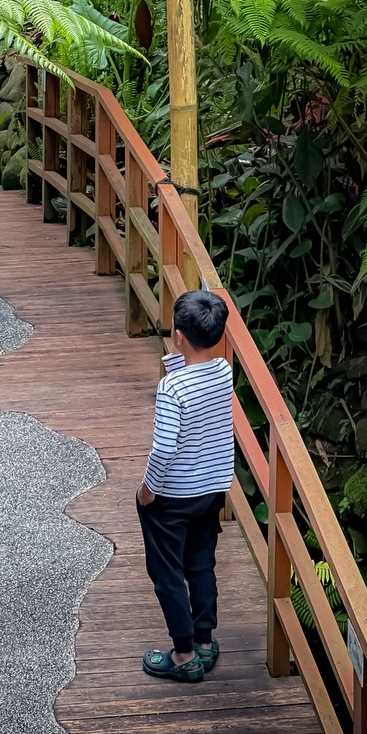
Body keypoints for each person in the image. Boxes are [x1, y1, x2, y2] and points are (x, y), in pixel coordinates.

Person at [136, 289, 237, 682]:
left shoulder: (172, 389)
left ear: (178, 335)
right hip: (211, 490)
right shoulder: (224, 370)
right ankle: (205, 641)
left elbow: (163, 450)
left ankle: (183, 655)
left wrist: (148, 490)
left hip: (174, 494)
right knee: (200, 564)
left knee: (167, 572)